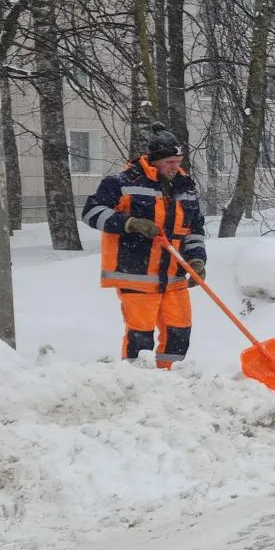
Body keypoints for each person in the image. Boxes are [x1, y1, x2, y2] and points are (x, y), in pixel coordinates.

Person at [82, 125, 206, 369]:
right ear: (155, 161)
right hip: (137, 273)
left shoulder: (185, 187)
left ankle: (168, 377)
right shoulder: (121, 183)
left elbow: (194, 230)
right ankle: (138, 382)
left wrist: (197, 260)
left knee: (179, 331)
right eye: (170, 161)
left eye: (178, 161)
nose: (175, 166)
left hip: (174, 276)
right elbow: (91, 212)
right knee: (141, 335)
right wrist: (130, 223)